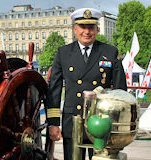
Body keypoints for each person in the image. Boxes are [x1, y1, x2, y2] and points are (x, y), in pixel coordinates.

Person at [46, 8, 127, 160]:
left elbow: (120, 91)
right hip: (73, 120)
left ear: (97, 29)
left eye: (91, 27)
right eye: (83, 27)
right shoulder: (63, 53)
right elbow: (54, 91)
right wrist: (53, 123)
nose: (87, 32)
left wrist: (119, 125)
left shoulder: (110, 52)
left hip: (101, 122)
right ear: (75, 29)